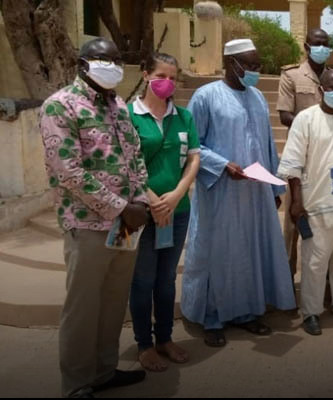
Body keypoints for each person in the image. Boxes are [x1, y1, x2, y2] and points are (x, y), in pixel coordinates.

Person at [39, 37, 149, 397]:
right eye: (105, 59)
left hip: (126, 225)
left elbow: (135, 158)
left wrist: (140, 201)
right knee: (83, 306)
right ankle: (77, 383)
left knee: (113, 301)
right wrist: (121, 207)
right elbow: (68, 171)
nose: (113, 66)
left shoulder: (118, 105)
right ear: (83, 63)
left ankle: (103, 371)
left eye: (118, 60)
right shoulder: (60, 107)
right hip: (87, 223)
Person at [181, 39, 296, 348]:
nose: (256, 71)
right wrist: (221, 165)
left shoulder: (258, 97)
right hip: (220, 192)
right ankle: (212, 317)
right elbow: (191, 145)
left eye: (258, 66)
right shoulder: (206, 97)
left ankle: (246, 312)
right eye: (251, 65)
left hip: (255, 193)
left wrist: (274, 187)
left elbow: (267, 145)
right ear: (231, 62)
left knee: (249, 253)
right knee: (218, 254)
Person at [278, 70, 333, 336]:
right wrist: (295, 202)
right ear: (321, 89)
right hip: (316, 203)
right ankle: (311, 311)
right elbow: (293, 164)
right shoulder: (305, 120)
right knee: (315, 263)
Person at [128, 52, 200, 372]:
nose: (167, 82)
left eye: (173, 77)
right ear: (145, 75)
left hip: (178, 210)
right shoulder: (129, 116)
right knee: (142, 280)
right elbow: (123, 164)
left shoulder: (183, 117)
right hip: (140, 213)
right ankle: (144, 344)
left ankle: (165, 338)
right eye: (161, 75)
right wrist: (153, 199)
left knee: (167, 279)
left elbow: (194, 159)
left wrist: (177, 195)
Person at [278, 28, 332, 280]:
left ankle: (324, 284)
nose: (322, 48)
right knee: (293, 222)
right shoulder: (292, 76)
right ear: (307, 46)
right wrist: (313, 125)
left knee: (326, 220)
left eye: (326, 44)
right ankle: (286, 282)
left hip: (327, 159)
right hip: (299, 158)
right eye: (317, 44)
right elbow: (284, 115)